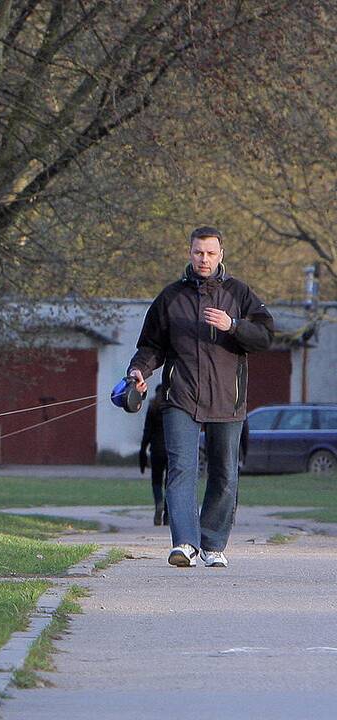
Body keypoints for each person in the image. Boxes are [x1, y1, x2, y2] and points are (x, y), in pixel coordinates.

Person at [127, 226, 273, 568]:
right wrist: (138, 371)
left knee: (224, 472)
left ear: (221, 254)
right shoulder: (170, 297)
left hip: (228, 398)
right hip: (181, 395)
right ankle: (185, 544)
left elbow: (266, 336)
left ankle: (213, 543)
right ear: (189, 253)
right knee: (180, 469)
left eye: (210, 253)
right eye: (197, 252)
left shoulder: (240, 294)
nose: (203, 259)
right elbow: (151, 346)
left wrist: (232, 325)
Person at [139, 385, 168, 526]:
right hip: (171, 449)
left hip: (156, 449)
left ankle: (159, 504)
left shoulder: (153, 408)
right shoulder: (171, 408)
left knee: (156, 481)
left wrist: (143, 450)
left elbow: (147, 431)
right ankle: (168, 514)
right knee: (171, 482)